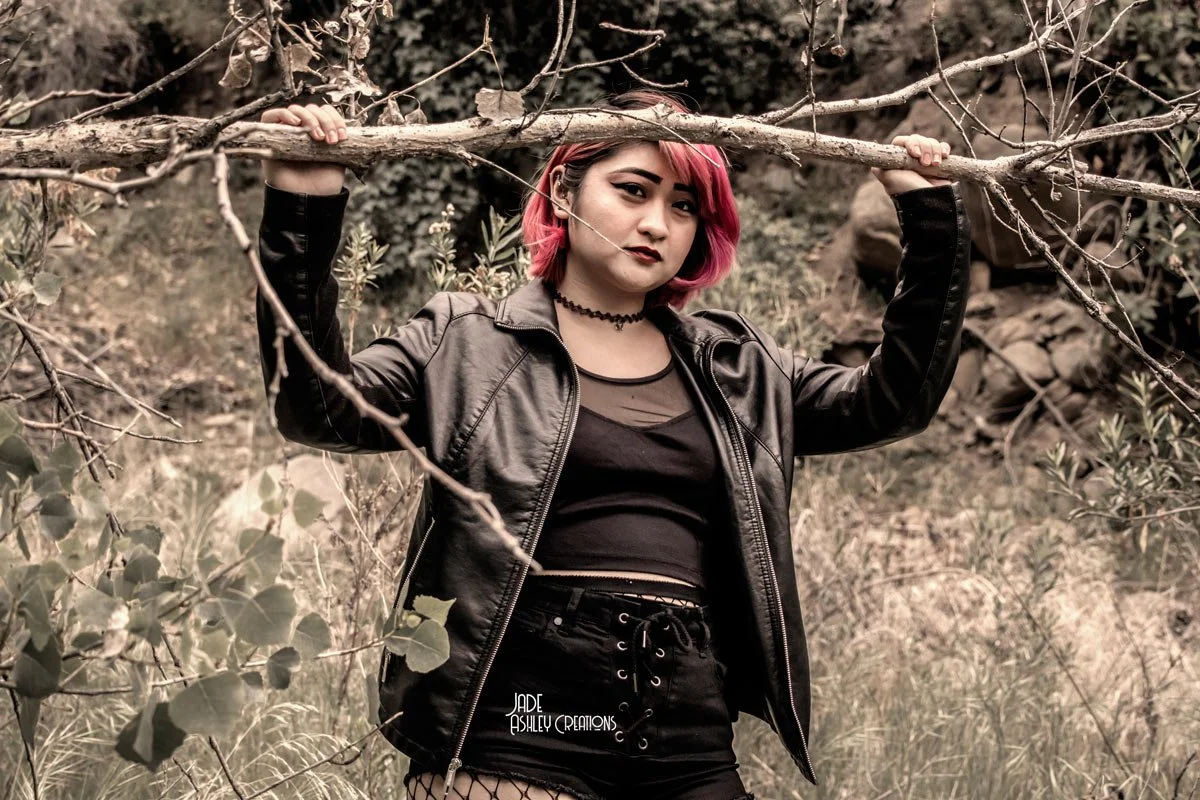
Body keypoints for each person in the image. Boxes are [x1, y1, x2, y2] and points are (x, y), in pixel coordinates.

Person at [256, 90, 969, 800]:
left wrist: (930, 218)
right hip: (517, 720)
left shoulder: (739, 369)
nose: (657, 223)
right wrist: (303, 202)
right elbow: (316, 407)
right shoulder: (466, 341)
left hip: (688, 734)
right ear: (564, 189)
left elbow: (891, 404)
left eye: (685, 205)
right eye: (632, 190)